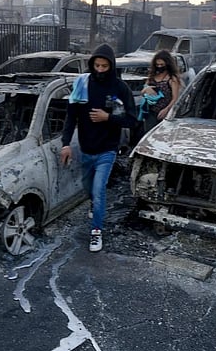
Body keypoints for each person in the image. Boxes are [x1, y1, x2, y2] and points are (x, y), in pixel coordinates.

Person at [60, 44, 137, 253]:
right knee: (89, 189)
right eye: (97, 65)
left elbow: (132, 119)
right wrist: (66, 144)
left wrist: (108, 118)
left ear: (111, 66)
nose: (100, 70)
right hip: (86, 149)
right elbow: (71, 118)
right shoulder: (82, 85)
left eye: (105, 66)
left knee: (98, 189)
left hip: (107, 149)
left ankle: (96, 232)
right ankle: (95, 206)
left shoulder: (120, 88)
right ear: (92, 64)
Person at [138, 50, 182, 134]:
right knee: (149, 133)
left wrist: (166, 110)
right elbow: (143, 92)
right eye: (157, 65)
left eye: (162, 65)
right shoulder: (152, 77)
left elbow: (175, 98)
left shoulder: (172, 79)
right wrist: (147, 90)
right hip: (151, 112)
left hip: (166, 112)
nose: (159, 67)